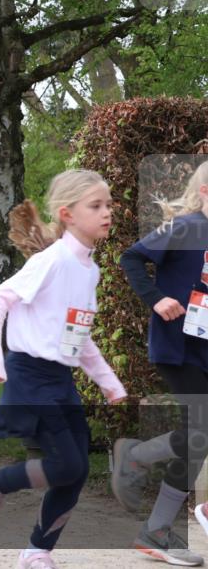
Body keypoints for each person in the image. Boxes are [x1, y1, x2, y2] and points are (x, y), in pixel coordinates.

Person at [0, 170, 127, 569]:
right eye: (96, 206)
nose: (107, 212)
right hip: (29, 375)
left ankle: (37, 551)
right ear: (67, 214)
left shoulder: (90, 271)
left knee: (77, 470)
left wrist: (109, 382)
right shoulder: (52, 261)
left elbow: (78, 335)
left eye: (108, 205)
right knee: (66, 464)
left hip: (59, 378)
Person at [111, 160, 208, 565]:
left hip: (204, 348)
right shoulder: (185, 227)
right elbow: (131, 258)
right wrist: (157, 299)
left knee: (199, 439)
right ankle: (139, 465)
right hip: (177, 346)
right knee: (202, 431)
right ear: (204, 191)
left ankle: (139, 465)